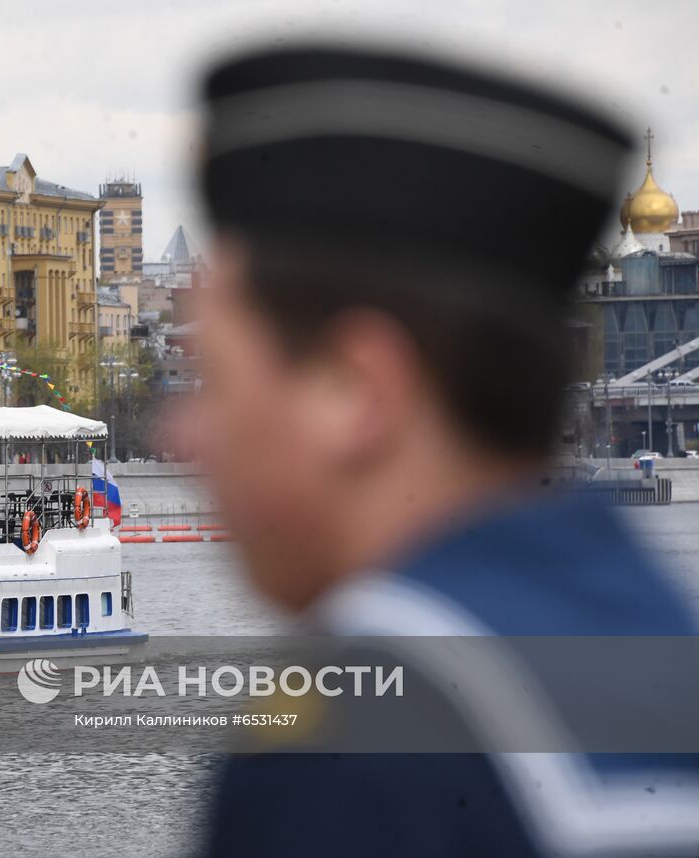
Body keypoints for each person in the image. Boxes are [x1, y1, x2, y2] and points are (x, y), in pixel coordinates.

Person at [187, 43, 699, 856]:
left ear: (356, 391)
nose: (181, 434)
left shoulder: (349, 738)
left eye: (212, 378)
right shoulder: (665, 642)